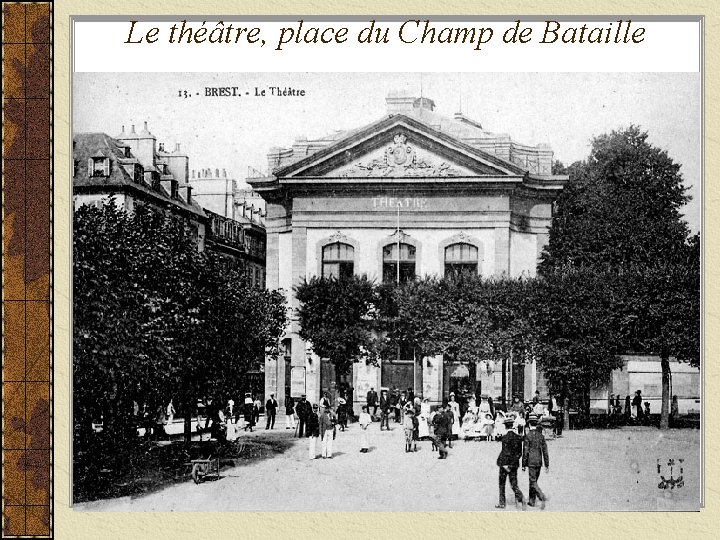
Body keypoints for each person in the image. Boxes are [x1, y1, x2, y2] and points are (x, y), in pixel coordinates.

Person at [496, 423, 526, 510]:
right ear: (512, 426)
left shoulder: (505, 437)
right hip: (514, 464)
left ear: (505, 426)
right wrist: (513, 462)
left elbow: (505, 452)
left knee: (502, 484)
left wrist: (505, 464)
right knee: (514, 484)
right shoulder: (518, 437)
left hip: (505, 464)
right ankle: (521, 498)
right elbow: (519, 453)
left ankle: (502, 503)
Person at [523, 422, 550, 509]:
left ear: (530, 425)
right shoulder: (541, 436)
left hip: (531, 462)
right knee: (533, 481)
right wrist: (547, 464)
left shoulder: (528, 436)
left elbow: (525, 451)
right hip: (539, 461)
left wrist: (523, 464)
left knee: (532, 481)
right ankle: (531, 501)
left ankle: (541, 496)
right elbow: (545, 451)